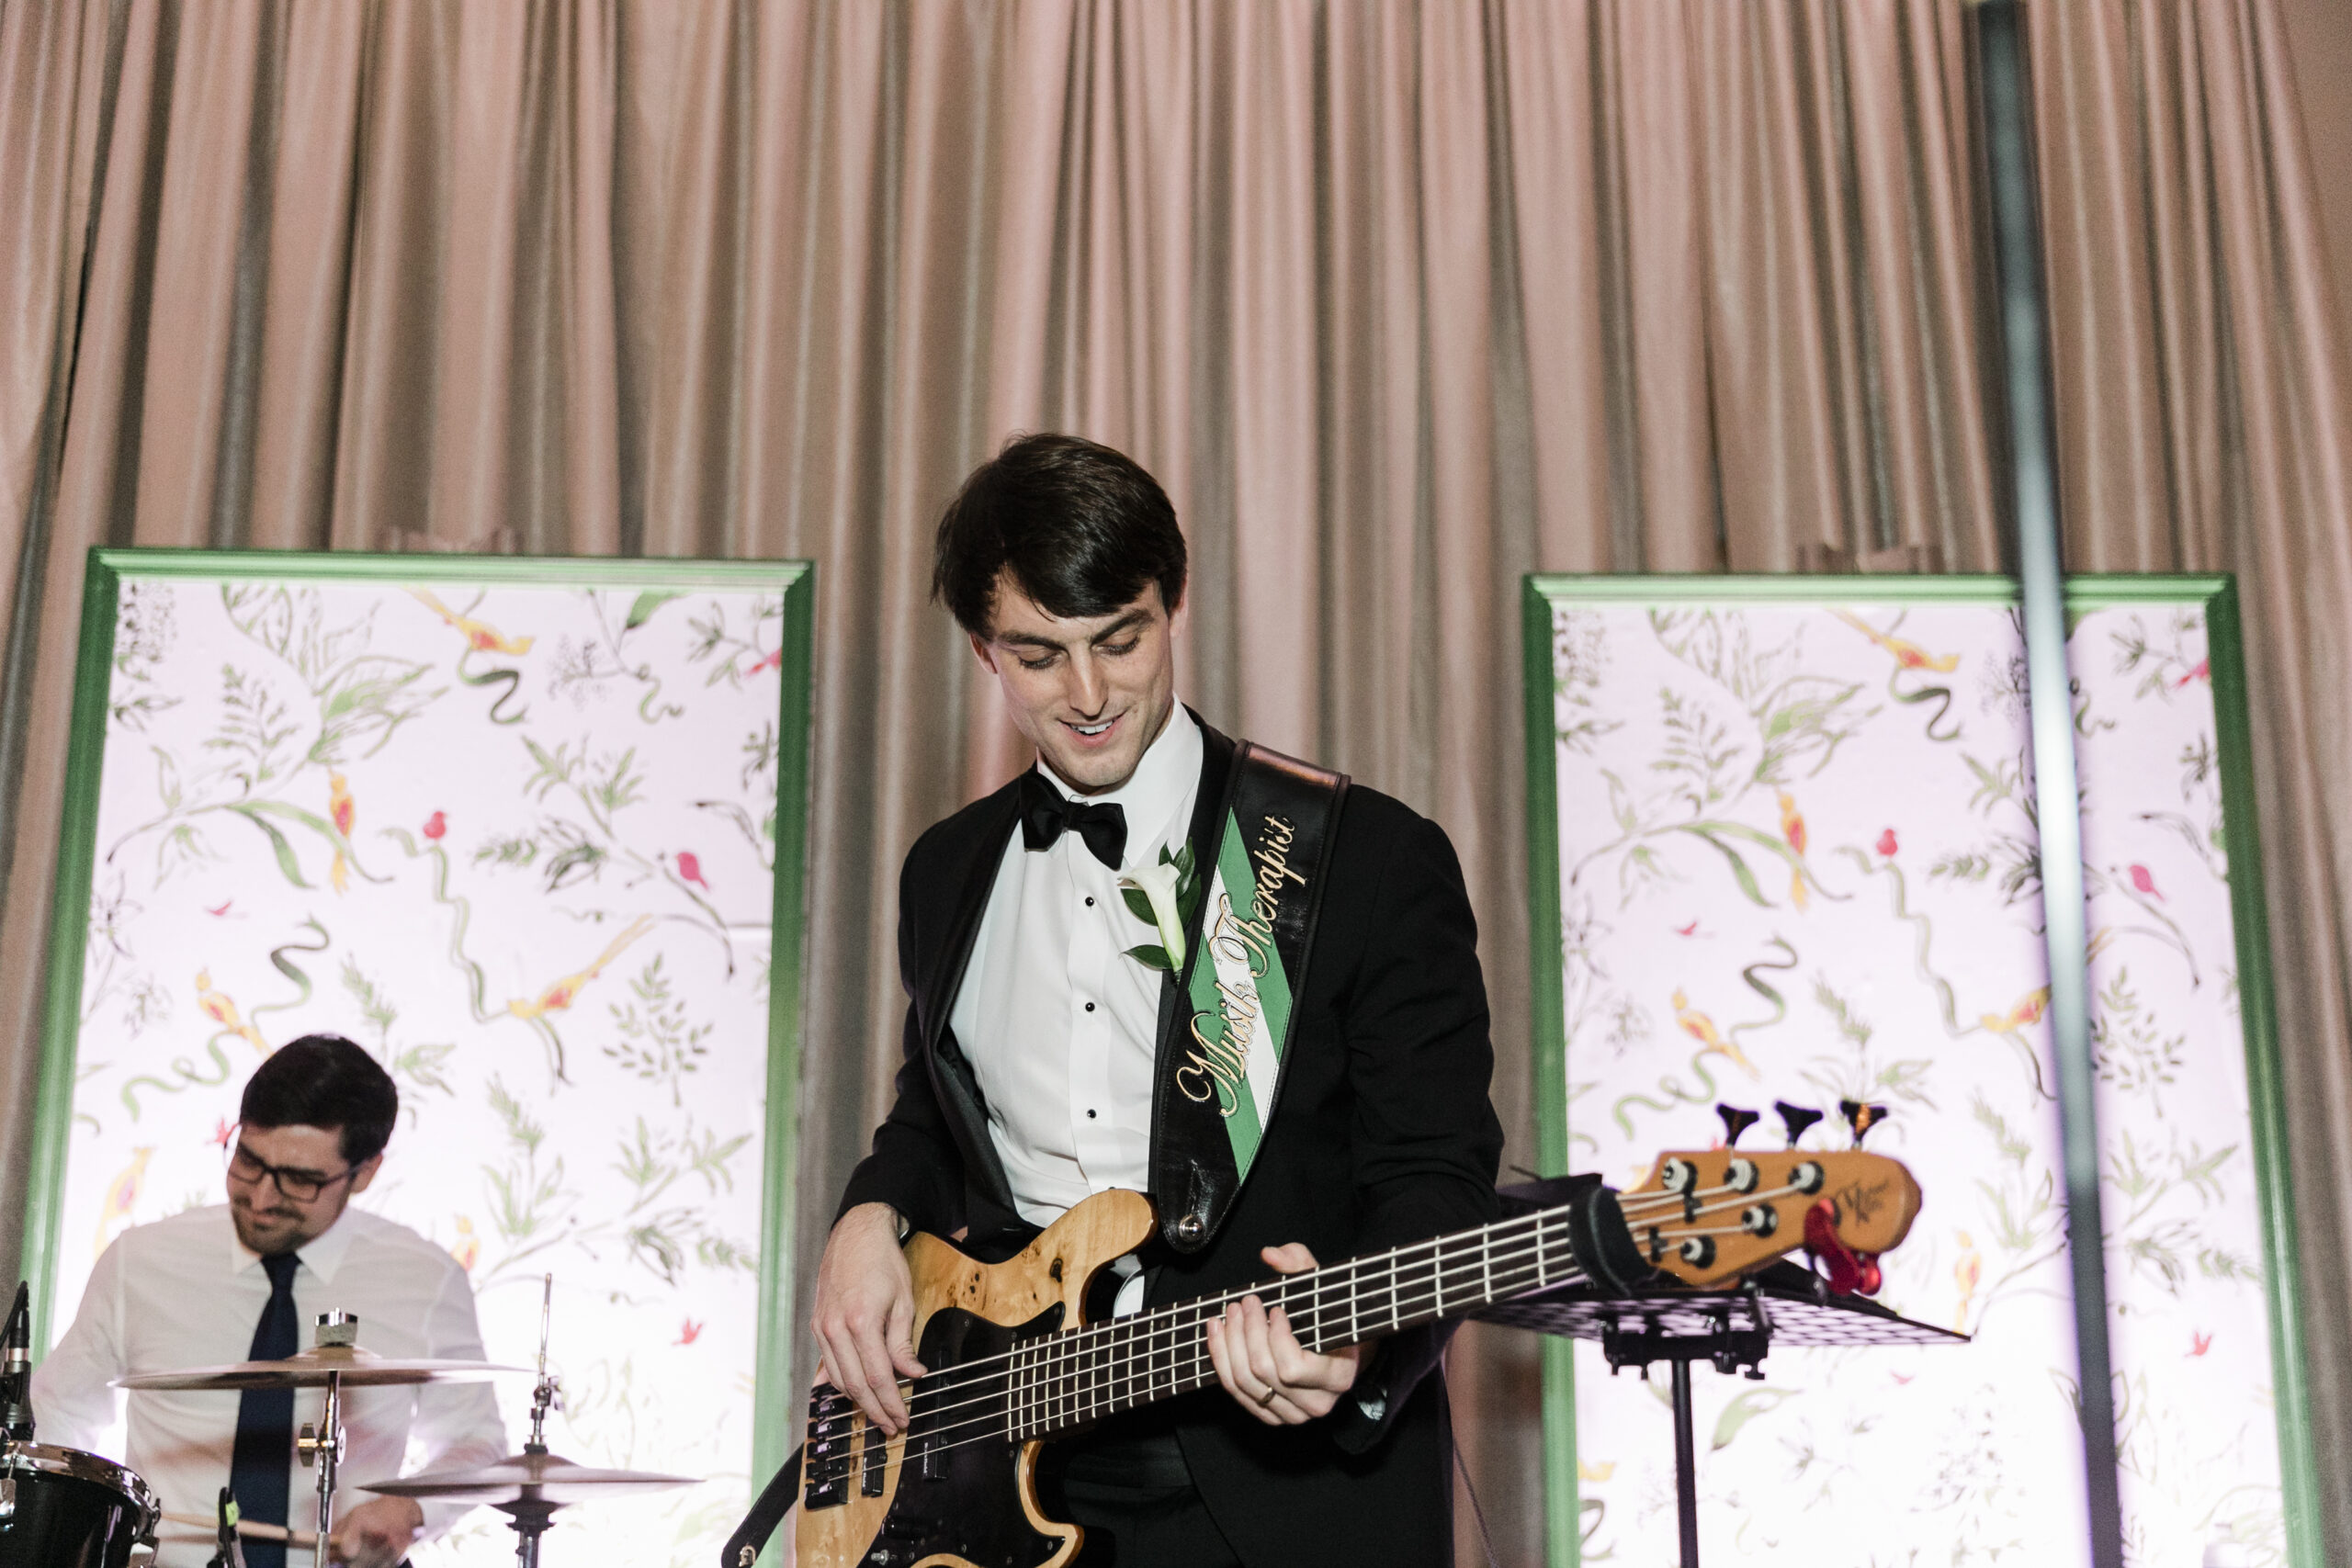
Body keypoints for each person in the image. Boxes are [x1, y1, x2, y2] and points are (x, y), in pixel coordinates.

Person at [810, 433, 1503, 1566]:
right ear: (984, 652)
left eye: (1117, 641)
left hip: (1283, 1487)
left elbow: (1433, 1171)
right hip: (1000, 1473)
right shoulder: (946, 868)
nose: (1086, 696)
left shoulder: (1361, 858)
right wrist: (866, 1217)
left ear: (1173, 603)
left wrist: (1362, 1340)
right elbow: (936, 1114)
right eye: (1038, 656)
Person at [35, 1035, 505, 1568]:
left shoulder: (425, 1278)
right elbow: (59, 1416)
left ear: (366, 1172)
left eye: (300, 1181)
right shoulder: (140, 1261)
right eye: (249, 1162)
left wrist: (409, 1509)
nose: (261, 1198)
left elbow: (476, 1439)